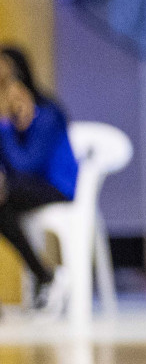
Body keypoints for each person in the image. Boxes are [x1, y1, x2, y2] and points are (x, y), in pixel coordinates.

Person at [0, 47, 79, 310]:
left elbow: (26, 164)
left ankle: (45, 276)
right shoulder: (8, 121)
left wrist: (10, 127)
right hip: (21, 189)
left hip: (56, 186)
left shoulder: (47, 113)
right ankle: (44, 275)